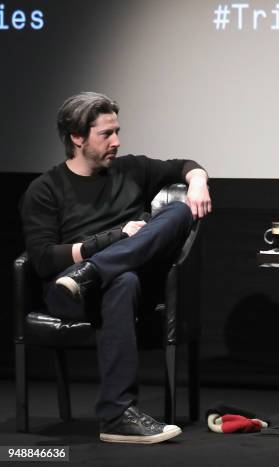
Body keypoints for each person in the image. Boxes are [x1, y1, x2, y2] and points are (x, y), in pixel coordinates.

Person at [20, 92, 212, 444]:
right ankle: (117, 414)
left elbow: (184, 165)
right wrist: (109, 240)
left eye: (117, 131)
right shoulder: (45, 189)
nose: (117, 141)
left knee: (178, 212)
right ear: (77, 138)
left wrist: (198, 181)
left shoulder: (133, 169)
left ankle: (95, 272)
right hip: (69, 291)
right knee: (120, 279)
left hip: (128, 283)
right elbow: (44, 258)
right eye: (105, 134)